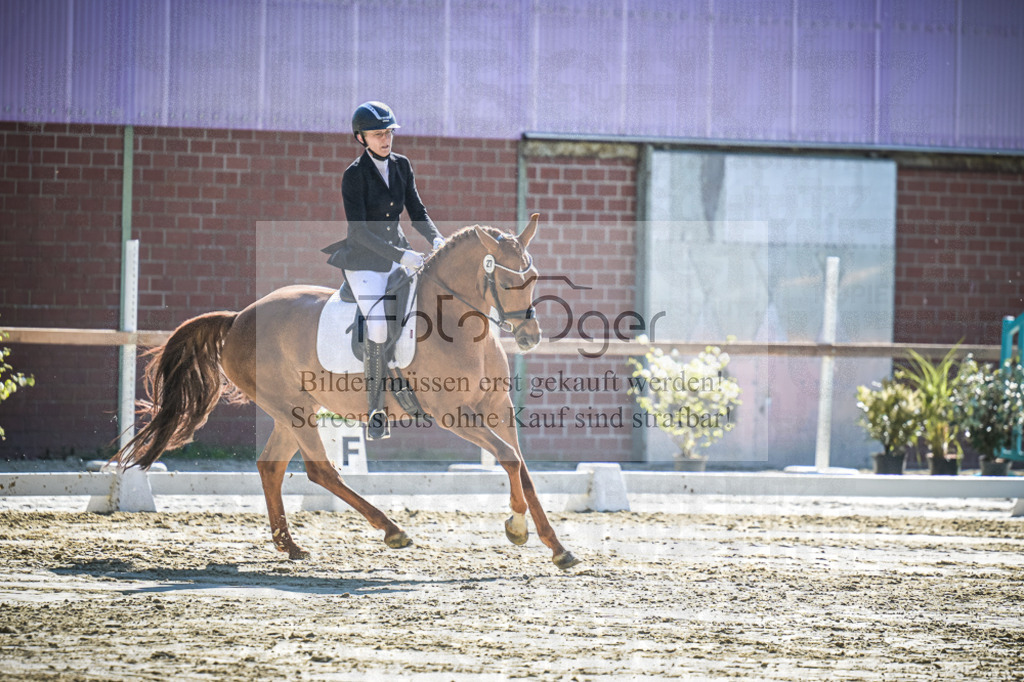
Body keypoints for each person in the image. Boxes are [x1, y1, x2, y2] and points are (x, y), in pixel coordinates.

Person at [326, 101, 444, 441]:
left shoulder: (402, 165)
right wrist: (401, 255)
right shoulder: (353, 175)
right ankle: (376, 410)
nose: (385, 139)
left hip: (398, 255)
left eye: (389, 132)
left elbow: (416, 209)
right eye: (378, 134)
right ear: (361, 138)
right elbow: (359, 232)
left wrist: (436, 238)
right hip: (364, 262)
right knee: (378, 328)